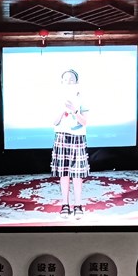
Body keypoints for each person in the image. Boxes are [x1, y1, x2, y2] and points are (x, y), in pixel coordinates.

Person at [51, 69, 89, 219]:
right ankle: (65, 204)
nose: (68, 82)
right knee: (64, 173)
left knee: (77, 174)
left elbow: (85, 122)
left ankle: (78, 205)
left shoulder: (82, 98)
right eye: (66, 80)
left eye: (72, 80)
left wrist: (74, 111)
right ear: (62, 82)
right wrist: (62, 110)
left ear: (76, 82)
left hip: (78, 138)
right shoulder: (56, 98)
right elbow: (54, 122)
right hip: (61, 137)